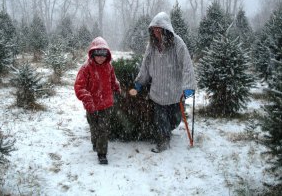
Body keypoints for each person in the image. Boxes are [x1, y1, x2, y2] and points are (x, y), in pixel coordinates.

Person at [130, 12, 196, 153]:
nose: (156, 32)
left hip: (174, 91)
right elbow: (145, 65)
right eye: (154, 29)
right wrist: (140, 82)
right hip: (158, 91)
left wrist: (189, 86)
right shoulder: (152, 46)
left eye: (159, 28)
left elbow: (187, 65)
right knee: (160, 120)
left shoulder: (178, 43)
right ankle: (162, 141)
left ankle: (168, 131)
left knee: (174, 120)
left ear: (166, 29)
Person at [74, 36, 121, 164]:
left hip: (106, 104)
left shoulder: (108, 67)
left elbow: (113, 80)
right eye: (98, 55)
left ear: (107, 55)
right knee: (94, 127)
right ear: (92, 54)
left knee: (103, 129)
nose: (101, 58)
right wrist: (87, 98)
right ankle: (95, 142)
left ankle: (102, 153)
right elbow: (79, 86)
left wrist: (116, 87)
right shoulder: (86, 68)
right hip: (92, 105)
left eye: (103, 55)